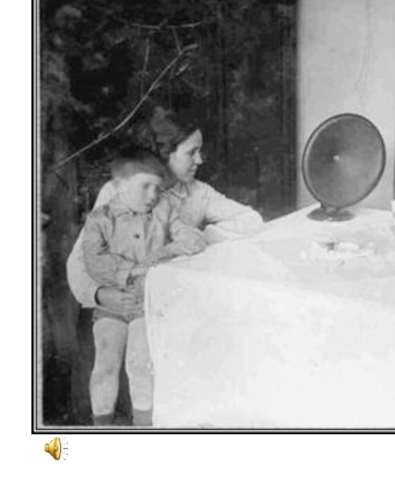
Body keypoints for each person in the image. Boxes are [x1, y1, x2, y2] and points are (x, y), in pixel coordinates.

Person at [67, 107, 265, 423]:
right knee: (107, 365)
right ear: (164, 153)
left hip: (162, 310)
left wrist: (200, 239)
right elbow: (79, 263)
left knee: (151, 372)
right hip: (112, 303)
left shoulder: (197, 193)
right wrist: (103, 295)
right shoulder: (119, 191)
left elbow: (251, 220)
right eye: (192, 152)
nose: (200, 160)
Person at [81, 148, 207, 426]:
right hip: (112, 306)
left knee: (140, 364)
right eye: (145, 186)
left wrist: (167, 251)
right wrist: (135, 270)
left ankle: (144, 428)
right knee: (106, 362)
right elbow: (94, 261)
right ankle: (101, 426)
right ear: (119, 185)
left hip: (148, 305)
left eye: (157, 188)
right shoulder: (100, 219)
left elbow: (193, 239)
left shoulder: (164, 210)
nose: (152, 195)